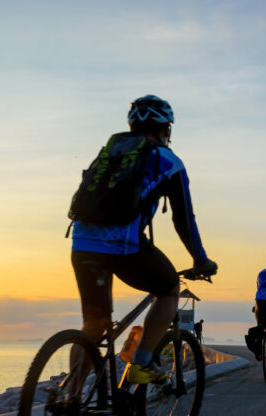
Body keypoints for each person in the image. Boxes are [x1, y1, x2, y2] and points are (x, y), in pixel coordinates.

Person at [70, 95, 218, 384]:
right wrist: (201, 260)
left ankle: (69, 401)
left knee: (93, 325)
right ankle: (142, 362)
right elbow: (184, 220)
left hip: (82, 243)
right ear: (166, 129)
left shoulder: (110, 154)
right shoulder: (169, 161)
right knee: (169, 288)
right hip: (124, 246)